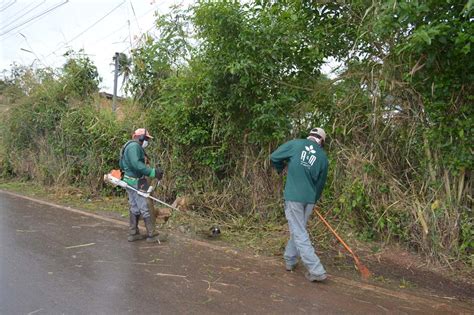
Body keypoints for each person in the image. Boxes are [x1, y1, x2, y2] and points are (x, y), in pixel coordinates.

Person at [270, 127, 329, 282]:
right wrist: (313, 200)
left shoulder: (295, 144)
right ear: (321, 141)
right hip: (309, 199)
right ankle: (290, 260)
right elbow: (320, 184)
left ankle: (316, 269)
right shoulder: (323, 157)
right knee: (298, 230)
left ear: (309, 136)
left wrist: (281, 168)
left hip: (294, 196)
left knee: (299, 232)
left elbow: (274, 157)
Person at [119, 128, 163, 243]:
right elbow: (136, 164)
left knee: (134, 205)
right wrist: (153, 172)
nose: (147, 141)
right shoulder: (134, 147)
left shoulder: (129, 146)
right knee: (145, 206)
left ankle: (133, 233)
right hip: (136, 181)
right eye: (147, 139)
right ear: (141, 137)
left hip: (129, 180)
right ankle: (151, 234)